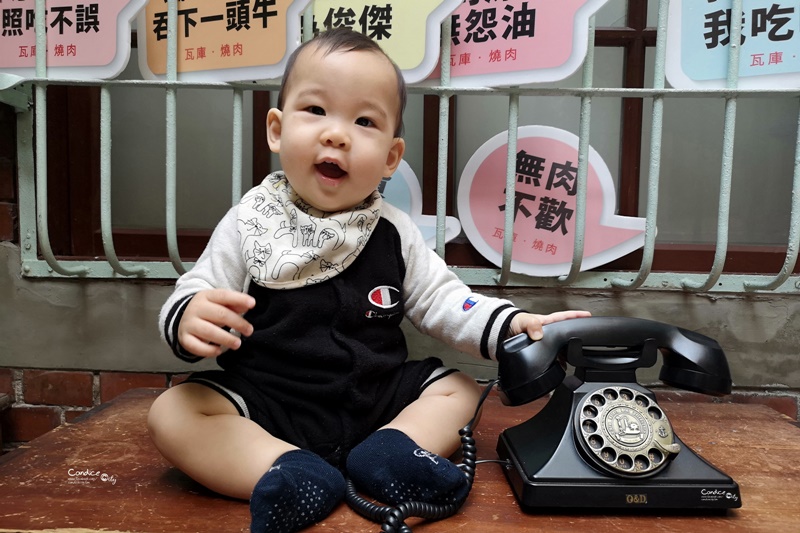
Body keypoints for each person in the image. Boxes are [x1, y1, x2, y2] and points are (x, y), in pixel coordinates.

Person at [148, 26, 590, 533]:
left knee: (461, 389)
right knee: (172, 412)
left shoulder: (394, 232)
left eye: (363, 120)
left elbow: (447, 301)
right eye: (315, 110)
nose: (336, 133)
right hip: (268, 406)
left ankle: (389, 453)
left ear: (389, 158)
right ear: (275, 129)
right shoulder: (249, 223)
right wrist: (192, 316)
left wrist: (516, 325)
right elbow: (194, 287)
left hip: (378, 402)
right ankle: (287, 472)